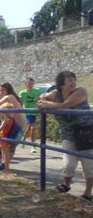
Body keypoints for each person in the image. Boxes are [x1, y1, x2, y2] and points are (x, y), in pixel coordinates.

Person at [38, 70, 93, 202]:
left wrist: (47, 103)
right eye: (69, 80)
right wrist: (43, 98)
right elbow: (39, 103)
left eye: (74, 79)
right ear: (61, 83)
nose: (73, 82)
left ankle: (87, 193)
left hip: (86, 133)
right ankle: (66, 184)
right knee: (68, 164)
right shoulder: (56, 94)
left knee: (88, 165)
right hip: (68, 134)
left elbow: (65, 105)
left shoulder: (80, 91)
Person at [0, 83, 24, 173]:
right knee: (5, 149)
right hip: (11, 127)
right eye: (0, 90)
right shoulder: (4, 98)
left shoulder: (9, 97)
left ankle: (5, 167)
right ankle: (3, 166)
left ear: (8, 90)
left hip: (16, 128)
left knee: (9, 149)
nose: (1, 92)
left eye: (3, 90)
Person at [19, 77, 42, 152]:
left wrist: (39, 100)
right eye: (29, 84)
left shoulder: (37, 91)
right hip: (28, 112)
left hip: (35, 112)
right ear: (25, 84)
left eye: (32, 84)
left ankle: (23, 140)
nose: (30, 85)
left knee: (29, 128)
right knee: (33, 128)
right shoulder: (22, 93)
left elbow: (41, 98)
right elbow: (19, 101)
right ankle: (33, 146)